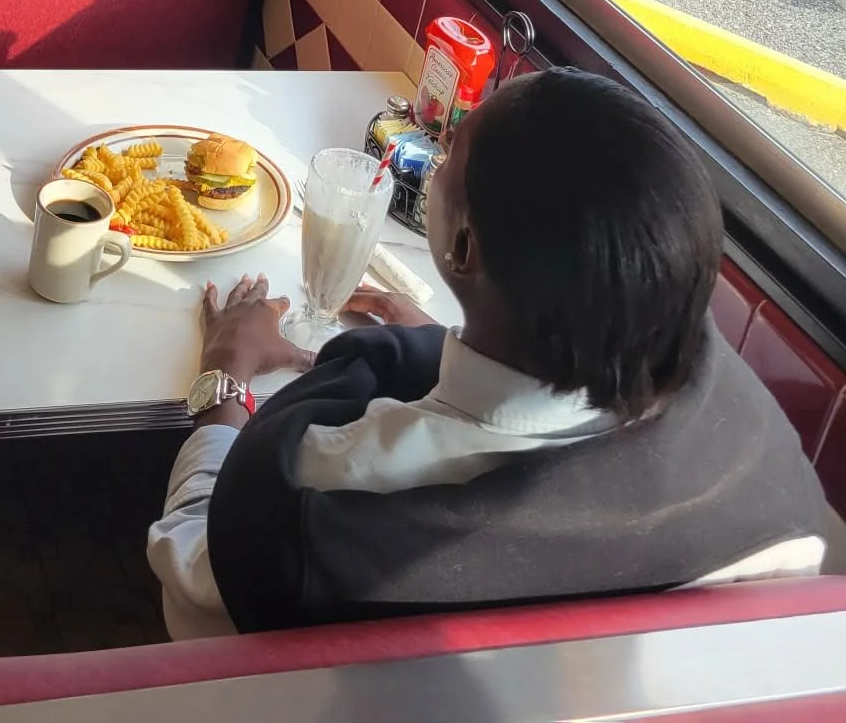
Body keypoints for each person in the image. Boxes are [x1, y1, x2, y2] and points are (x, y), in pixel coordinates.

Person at [148, 70, 827, 639]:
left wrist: (224, 381)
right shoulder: (751, 436)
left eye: (447, 162)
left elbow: (192, 576)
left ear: (463, 248)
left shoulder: (328, 480)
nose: (437, 165)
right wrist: (451, 344)